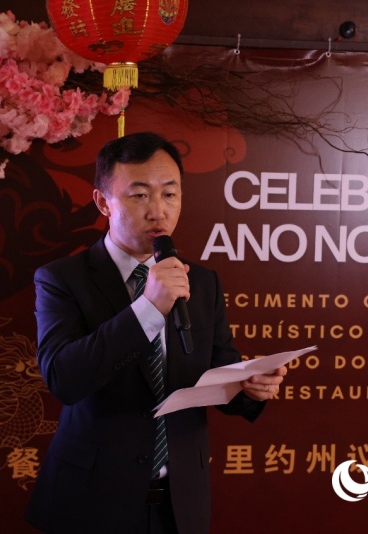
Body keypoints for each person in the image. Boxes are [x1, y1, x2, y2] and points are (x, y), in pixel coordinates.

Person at [25, 131, 287, 534]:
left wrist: (249, 386)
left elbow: (218, 372)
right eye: (140, 195)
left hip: (180, 503)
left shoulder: (202, 282)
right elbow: (65, 379)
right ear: (103, 202)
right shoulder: (62, 279)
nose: (158, 211)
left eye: (169, 194)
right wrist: (148, 308)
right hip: (92, 500)